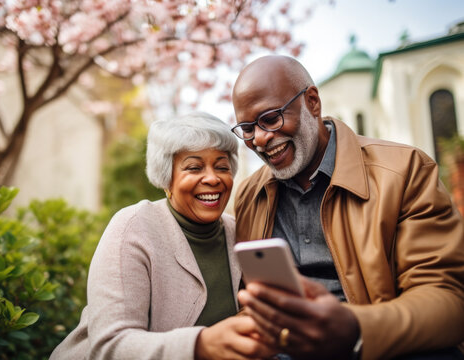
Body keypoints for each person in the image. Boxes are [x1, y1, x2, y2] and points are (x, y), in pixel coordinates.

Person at [230, 55, 464, 360]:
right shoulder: (250, 194)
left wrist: (355, 330)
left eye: (271, 118)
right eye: (247, 129)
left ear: (312, 102)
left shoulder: (406, 170)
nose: (259, 139)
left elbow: (449, 303)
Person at [50, 112, 276, 360]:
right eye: (194, 167)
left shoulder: (239, 231)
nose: (212, 178)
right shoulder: (133, 227)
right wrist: (200, 345)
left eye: (221, 167)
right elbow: (110, 345)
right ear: (166, 178)